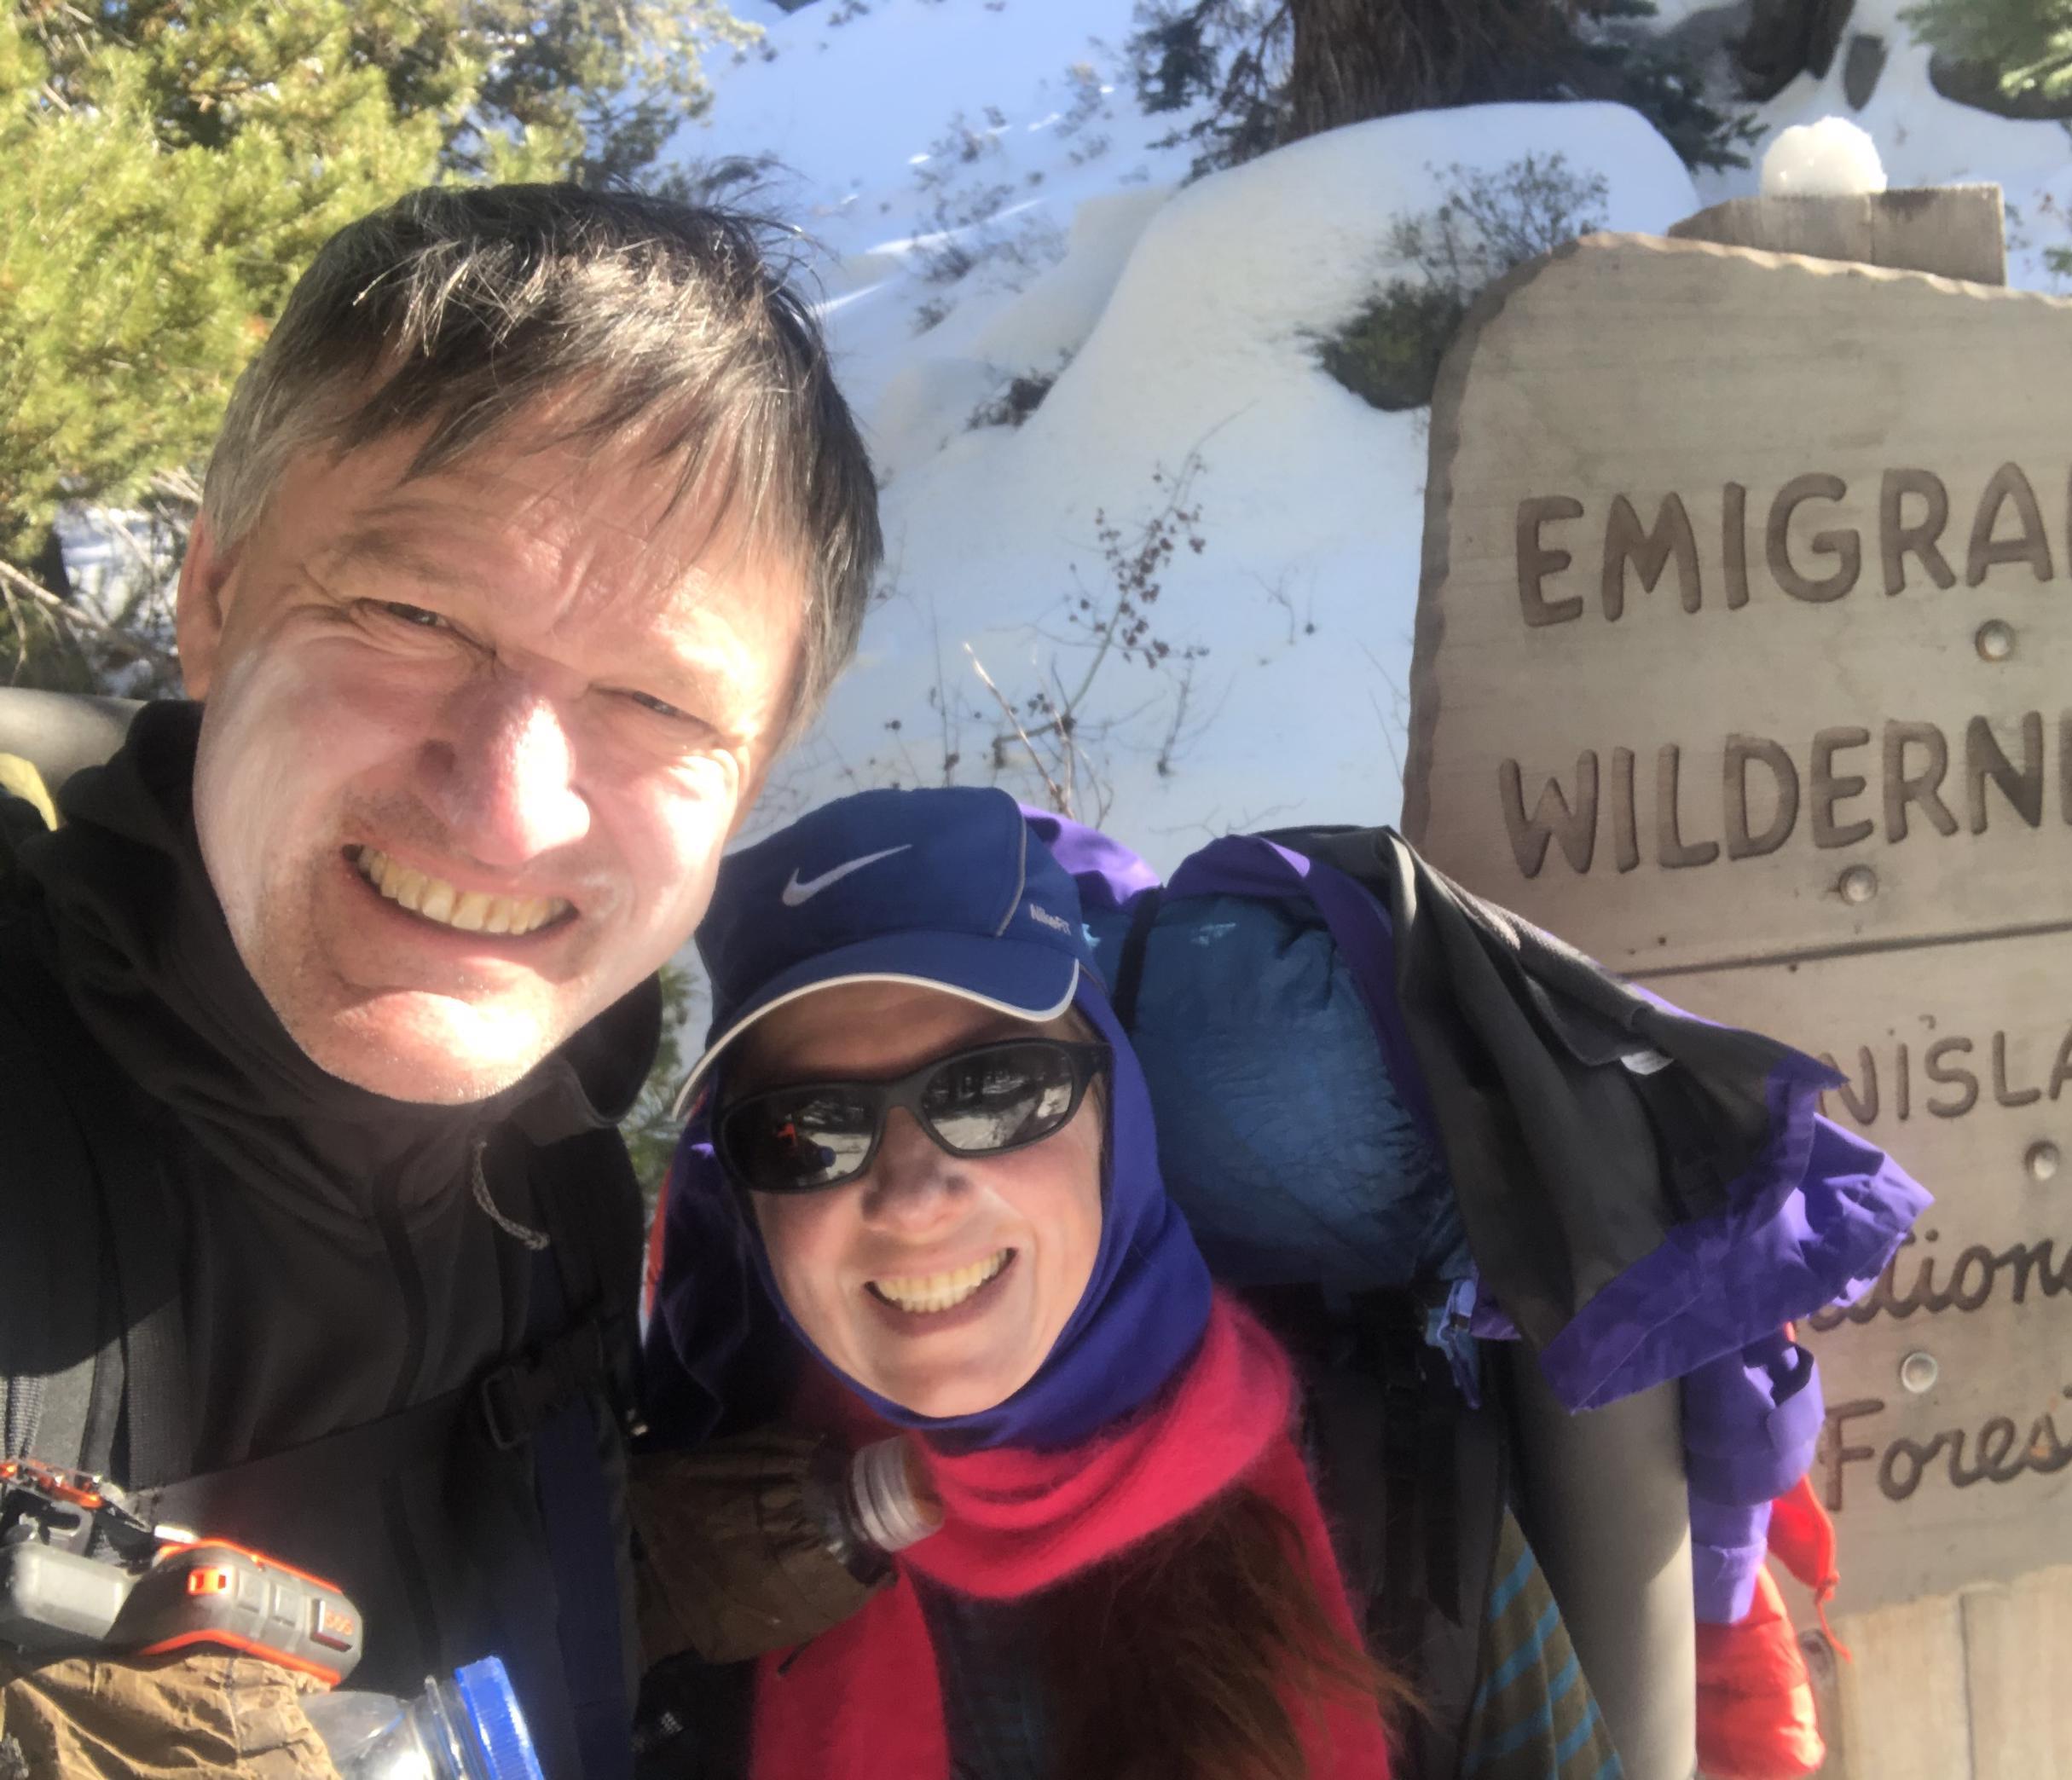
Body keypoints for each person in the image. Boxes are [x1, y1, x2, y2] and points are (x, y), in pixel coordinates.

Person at [0, 183, 880, 1780]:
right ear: (215, 599)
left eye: (655, 704)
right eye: (412, 614)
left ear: (744, 783)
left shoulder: (553, 1168)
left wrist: (632, 1577)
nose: (505, 805)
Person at [663, 785, 1627, 1780]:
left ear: (1115, 1121)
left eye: (996, 1089)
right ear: (746, 1203)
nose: (910, 1198)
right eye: (805, 1132)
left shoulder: (1397, 1505)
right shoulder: (687, 1577)